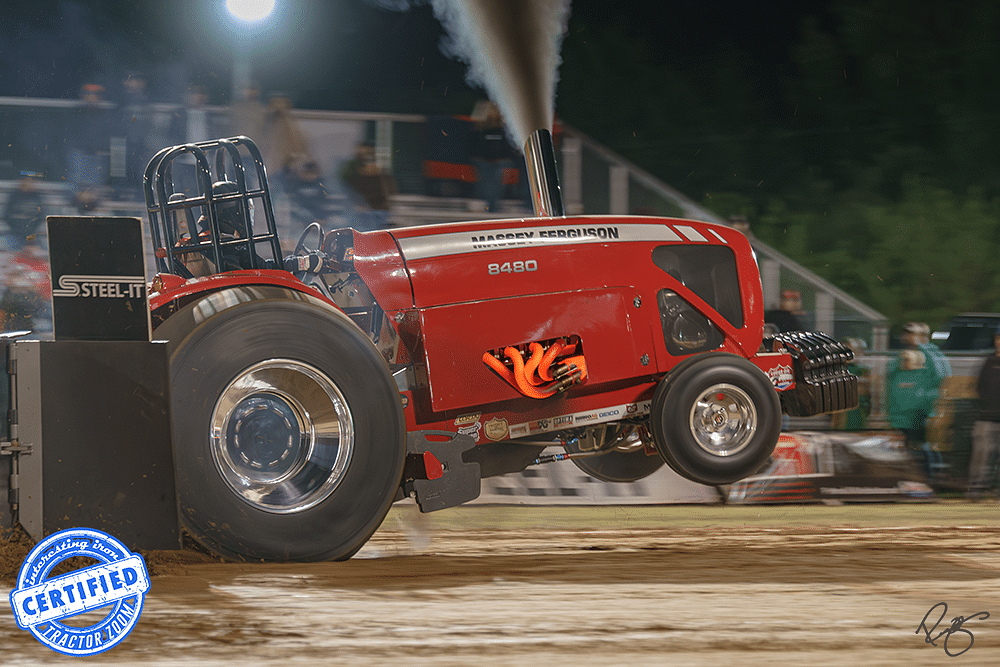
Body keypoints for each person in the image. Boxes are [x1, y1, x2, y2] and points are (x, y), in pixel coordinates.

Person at [886, 322, 946, 479]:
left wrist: (923, 344)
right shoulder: (902, 357)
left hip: (922, 414)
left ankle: (930, 480)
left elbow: (941, 377)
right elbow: (891, 380)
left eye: (913, 334)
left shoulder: (931, 355)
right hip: (900, 416)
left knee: (922, 448)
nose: (908, 337)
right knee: (905, 450)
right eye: (908, 334)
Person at [967, 325, 1000, 499]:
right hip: (986, 417)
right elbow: (979, 387)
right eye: (997, 338)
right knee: (981, 458)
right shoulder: (988, 361)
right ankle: (975, 491)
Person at [469, 100, 518, 212]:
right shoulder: (480, 127)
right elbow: (475, 140)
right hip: (483, 159)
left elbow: (509, 144)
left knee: (495, 185)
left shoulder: (504, 126)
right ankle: (488, 205)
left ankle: (491, 206)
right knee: (485, 185)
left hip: (500, 159)